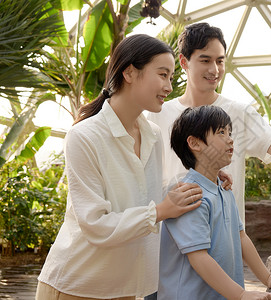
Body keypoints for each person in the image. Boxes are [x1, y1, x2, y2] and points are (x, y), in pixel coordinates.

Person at [35, 34, 203, 300]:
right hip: (76, 286)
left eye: (171, 77)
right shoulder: (84, 136)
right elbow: (96, 223)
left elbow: (154, 193)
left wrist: (205, 177)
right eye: (162, 75)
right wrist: (160, 211)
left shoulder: (153, 135)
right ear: (129, 72)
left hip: (126, 289)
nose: (169, 86)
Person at [148, 22, 271, 224]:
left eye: (220, 61)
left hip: (227, 234)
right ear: (184, 62)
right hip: (176, 234)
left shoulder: (240, 112)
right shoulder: (159, 114)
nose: (214, 69)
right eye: (205, 60)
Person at [157, 105, 271, 300]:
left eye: (230, 132)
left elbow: (241, 238)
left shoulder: (223, 189)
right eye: (221, 132)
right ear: (195, 143)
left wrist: (267, 278)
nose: (230, 138)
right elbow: (199, 257)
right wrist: (240, 294)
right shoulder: (189, 195)